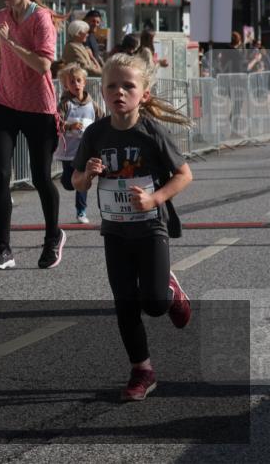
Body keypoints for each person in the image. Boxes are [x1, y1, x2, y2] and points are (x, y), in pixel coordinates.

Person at [72, 52, 193, 401]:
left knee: (153, 303)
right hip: (115, 231)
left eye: (128, 86)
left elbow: (184, 175)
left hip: (150, 227)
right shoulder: (95, 133)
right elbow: (77, 182)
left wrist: (155, 200)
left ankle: (170, 293)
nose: (119, 92)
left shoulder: (151, 131)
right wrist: (87, 175)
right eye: (112, 86)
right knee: (125, 303)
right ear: (102, 92)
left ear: (144, 93)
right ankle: (142, 370)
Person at [0, 0, 65, 271]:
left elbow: (44, 65)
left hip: (38, 108)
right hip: (5, 103)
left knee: (40, 177)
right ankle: (4, 248)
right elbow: (2, 53)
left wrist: (11, 42)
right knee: (1, 175)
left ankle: (52, 237)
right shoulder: (2, 16)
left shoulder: (42, 19)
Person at [54, 64, 103, 224]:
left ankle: (81, 211)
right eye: (71, 82)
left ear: (84, 83)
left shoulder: (92, 105)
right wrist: (69, 126)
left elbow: (102, 120)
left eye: (78, 81)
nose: (75, 84)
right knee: (69, 184)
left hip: (84, 152)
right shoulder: (66, 104)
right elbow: (57, 122)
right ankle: (65, 180)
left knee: (82, 182)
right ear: (66, 85)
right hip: (68, 151)